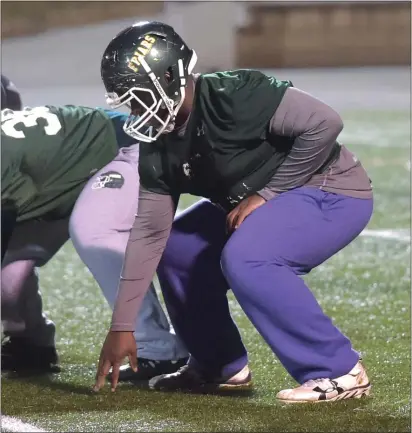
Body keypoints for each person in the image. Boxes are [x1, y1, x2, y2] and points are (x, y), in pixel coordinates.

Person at [94, 21, 373, 403]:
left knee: (248, 257)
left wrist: (268, 192)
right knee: (177, 249)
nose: (135, 108)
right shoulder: (158, 143)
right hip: (260, 197)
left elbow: (325, 123)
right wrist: (122, 326)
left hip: (329, 189)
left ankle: (339, 370)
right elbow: (149, 233)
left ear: (169, 77)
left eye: (139, 95)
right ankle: (219, 364)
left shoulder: (234, 93)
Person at [1, 101, 188, 377]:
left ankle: (158, 348)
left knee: (95, 231)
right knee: (7, 275)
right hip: (61, 179)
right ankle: (30, 343)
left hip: (128, 149)